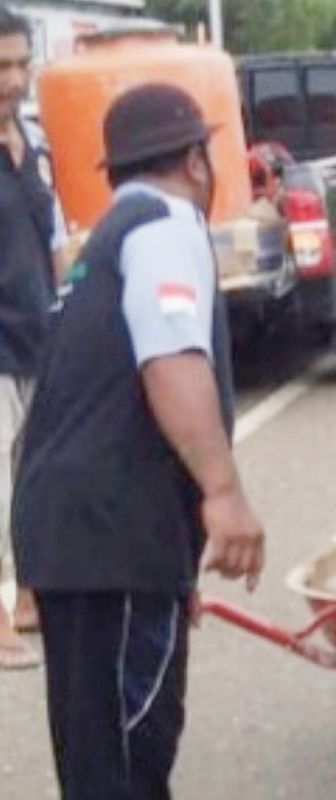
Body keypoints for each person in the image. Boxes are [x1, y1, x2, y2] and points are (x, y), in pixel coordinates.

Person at [12, 83, 265, 799]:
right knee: (125, 766)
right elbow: (172, 358)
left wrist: (172, 564)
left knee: (99, 762)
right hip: (110, 539)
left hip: (75, 540)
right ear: (195, 161)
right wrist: (224, 495)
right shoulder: (166, 227)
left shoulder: (100, 250)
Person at [0, 4, 61, 670]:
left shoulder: (32, 144)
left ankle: (26, 597)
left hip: (38, 334)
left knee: (34, 482)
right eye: (2, 67)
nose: (14, 79)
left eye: (21, 64)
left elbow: (51, 241)